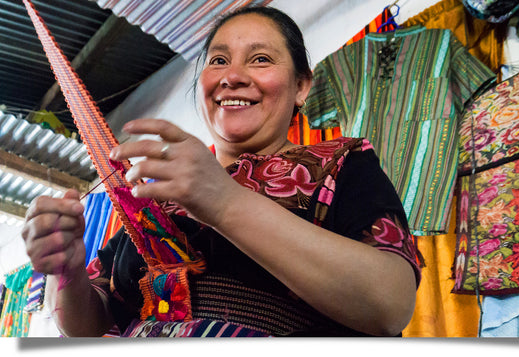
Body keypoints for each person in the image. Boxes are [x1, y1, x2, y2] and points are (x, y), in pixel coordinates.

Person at [21, 6, 420, 337]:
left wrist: (223, 202)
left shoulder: (341, 163)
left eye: (260, 59)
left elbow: (390, 305)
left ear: (301, 86)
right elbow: (86, 328)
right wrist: (67, 269)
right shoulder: (158, 193)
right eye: (218, 61)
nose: (232, 76)